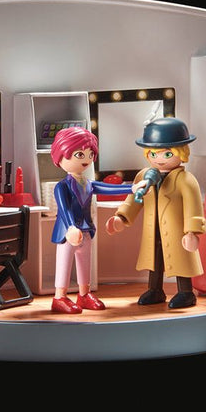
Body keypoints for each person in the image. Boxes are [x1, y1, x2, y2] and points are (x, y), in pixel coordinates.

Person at [106, 117, 206, 308]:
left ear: (181, 153)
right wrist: (121, 217)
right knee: (155, 260)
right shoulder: (144, 176)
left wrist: (192, 231)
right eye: (153, 154)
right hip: (154, 231)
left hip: (177, 232)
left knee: (181, 260)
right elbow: (133, 201)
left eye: (167, 154)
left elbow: (194, 208)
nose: (159, 159)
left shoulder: (186, 180)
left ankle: (186, 292)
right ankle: (155, 290)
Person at [50, 127, 139, 314]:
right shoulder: (62, 186)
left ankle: (84, 294)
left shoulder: (88, 183)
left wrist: (133, 188)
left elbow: (108, 188)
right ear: (61, 155)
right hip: (68, 233)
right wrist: (71, 227)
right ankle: (59, 297)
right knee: (64, 264)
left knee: (85, 264)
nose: (86, 159)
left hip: (86, 230)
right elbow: (64, 209)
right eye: (79, 154)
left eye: (90, 154)